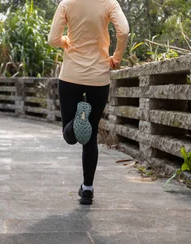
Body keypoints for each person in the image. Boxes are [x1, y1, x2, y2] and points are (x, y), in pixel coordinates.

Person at [48, 0, 129, 205]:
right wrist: (116, 58)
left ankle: (76, 123)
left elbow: (52, 39)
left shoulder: (67, 3)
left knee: (71, 137)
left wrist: (65, 40)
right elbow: (124, 32)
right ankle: (87, 190)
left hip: (71, 77)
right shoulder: (109, 3)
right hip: (98, 78)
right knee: (91, 135)